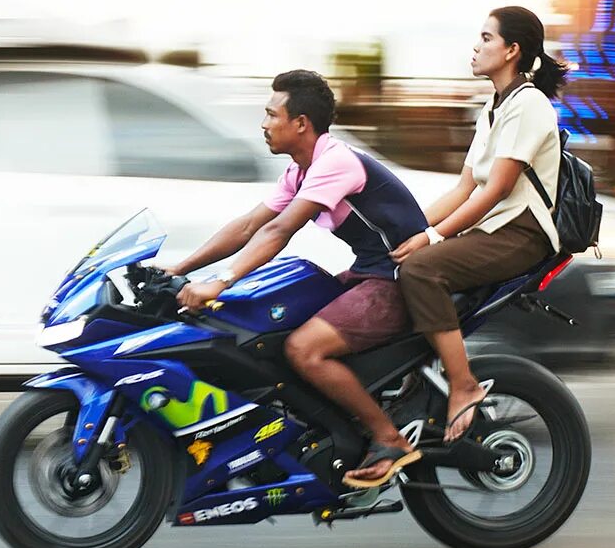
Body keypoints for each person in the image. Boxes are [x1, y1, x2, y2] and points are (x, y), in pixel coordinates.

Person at [166, 69, 430, 483]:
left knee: (304, 349)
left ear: (301, 123)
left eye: (272, 114)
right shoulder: (300, 170)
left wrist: (220, 282)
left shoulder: (336, 162)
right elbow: (249, 225)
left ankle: (388, 436)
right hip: (368, 273)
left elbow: (278, 231)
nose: (264, 124)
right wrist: (179, 269)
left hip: (397, 280)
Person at [344, 6, 568, 487]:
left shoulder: (530, 106)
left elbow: (498, 190)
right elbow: (464, 187)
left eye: (486, 38)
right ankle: (417, 379)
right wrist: (404, 230)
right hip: (493, 228)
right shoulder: (496, 107)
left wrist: (432, 238)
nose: (476, 46)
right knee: (398, 262)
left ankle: (462, 384)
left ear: (512, 50)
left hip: (521, 232)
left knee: (422, 271)